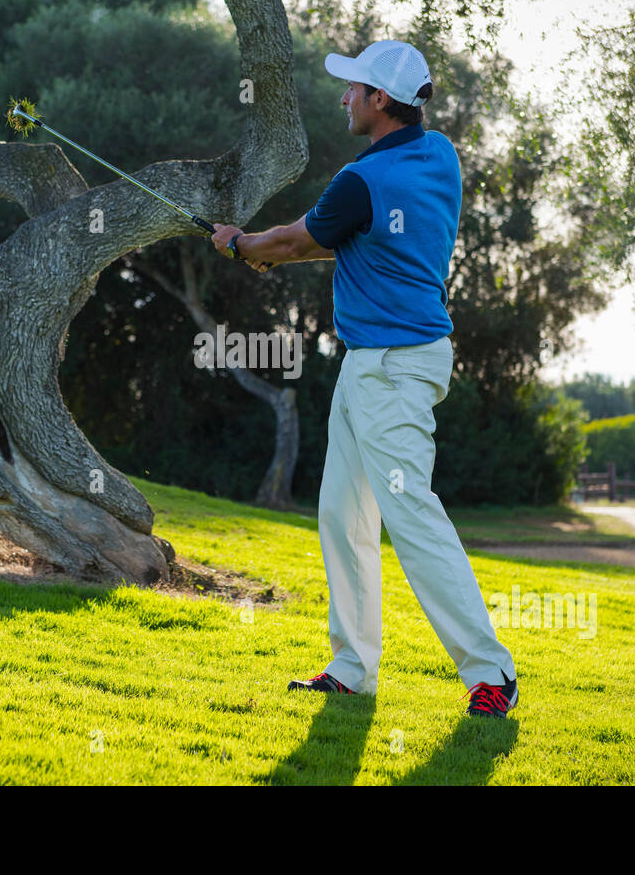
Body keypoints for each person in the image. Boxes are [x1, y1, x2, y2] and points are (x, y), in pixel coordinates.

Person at [210, 39, 518, 718]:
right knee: (341, 517)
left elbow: (298, 240)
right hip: (376, 365)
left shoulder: (363, 181)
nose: (344, 96)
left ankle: (491, 674)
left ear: (382, 100)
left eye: (354, 88)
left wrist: (241, 244)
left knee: (410, 515)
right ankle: (352, 669)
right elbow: (332, 235)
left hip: (393, 368)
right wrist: (269, 249)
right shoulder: (438, 157)